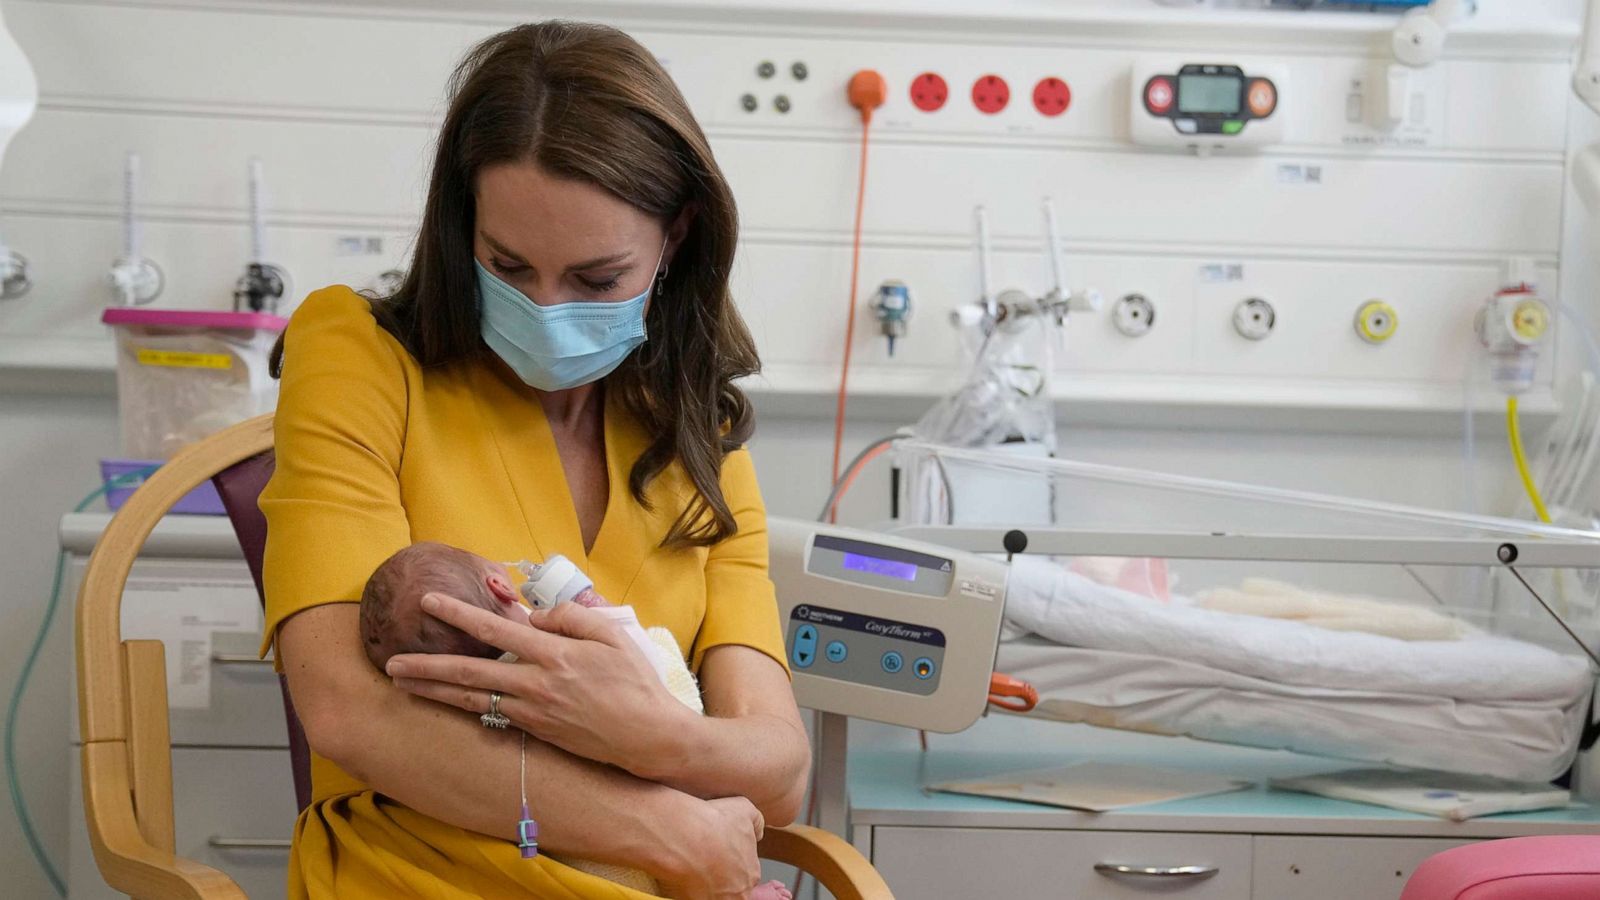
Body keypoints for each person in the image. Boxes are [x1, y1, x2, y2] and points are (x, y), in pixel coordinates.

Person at [260, 20, 810, 899]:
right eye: (507, 266)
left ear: (678, 237)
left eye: (596, 281)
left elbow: (779, 773)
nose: (546, 310)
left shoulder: (692, 429)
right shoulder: (359, 354)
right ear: (462, 227)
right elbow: (345, 710)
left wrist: (638, 731)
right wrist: (662, 821)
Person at [358, 542, 794, 900]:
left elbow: (785, 780)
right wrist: (592, 607)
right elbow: (646, 660)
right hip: (681, 832)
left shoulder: (456, 712)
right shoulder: (567, 643)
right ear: (500, 585)